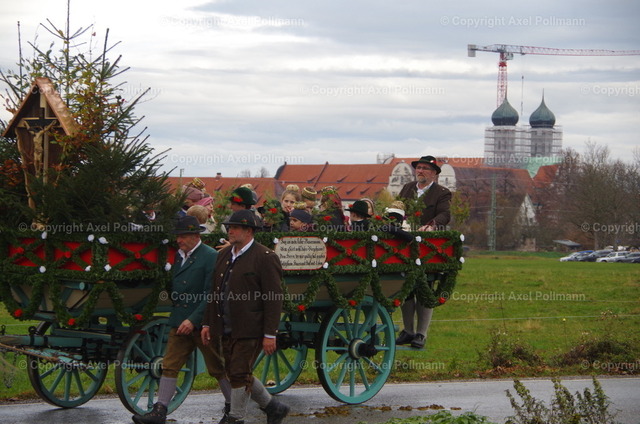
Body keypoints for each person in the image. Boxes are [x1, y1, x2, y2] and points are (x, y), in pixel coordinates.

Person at [131, 216, 231, 424]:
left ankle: (233, 408)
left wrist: (193, 320)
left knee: (217, 367)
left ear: (195, 236)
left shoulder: (210, 256)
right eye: (177, 236)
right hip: (179, 320)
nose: (179, 240)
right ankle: (160, 411)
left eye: (183, 236)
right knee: (170, 364)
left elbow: (211, 293)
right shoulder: (178, 256)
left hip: (203, 323)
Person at [201, 210, 289, 424]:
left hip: (251, 327)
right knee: (234, 371)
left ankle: (236, 417)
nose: (229, 231)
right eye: (229, 227)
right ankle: (274, 407)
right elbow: (214, 291)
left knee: (239, 372)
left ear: (249, 231)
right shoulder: (224, 255)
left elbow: (273, 298)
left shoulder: (265, 257)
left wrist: (270, 334)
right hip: (226, 325)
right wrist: (207, 323)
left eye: (235, 227)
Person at [396, 155, 451, 349]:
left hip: (427, 245)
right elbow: (397, 208)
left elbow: (445, 214)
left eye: (425, 168)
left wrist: (432, 225)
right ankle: (408, 330)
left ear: (434, 173)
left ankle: (421, 333)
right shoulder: (407, 188)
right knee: (406, 287)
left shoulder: (442, 192)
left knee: (424, 288)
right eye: (418, 168)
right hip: (405, 243)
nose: (420, 171)